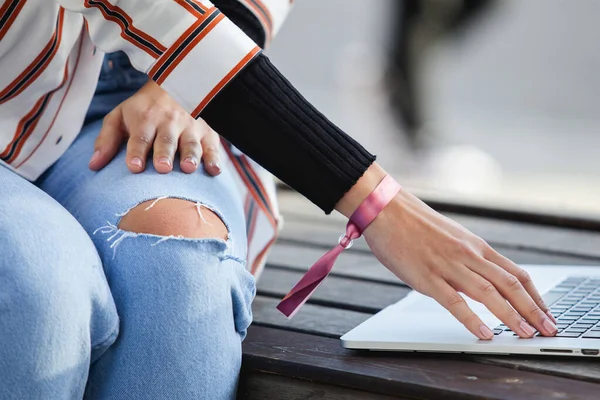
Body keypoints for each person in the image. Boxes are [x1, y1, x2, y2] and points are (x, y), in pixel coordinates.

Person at [0, 1, 557, 399]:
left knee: (176, 267)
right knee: (36, 288)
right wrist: (380, 206)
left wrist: (180, 84)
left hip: (162, 73)